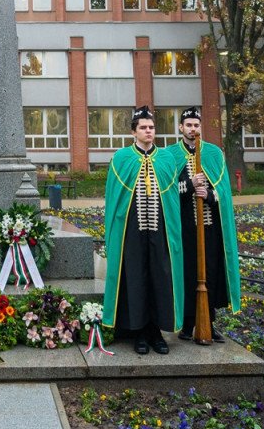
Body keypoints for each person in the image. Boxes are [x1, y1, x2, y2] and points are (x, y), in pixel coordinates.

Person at [101, 105, 184, 355]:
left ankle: (156, 331)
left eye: (151, 127)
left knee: (160, 277)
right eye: (143, 128)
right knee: (135, 277)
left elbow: (172, 197)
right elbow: (114, 198)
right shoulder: (122, 158)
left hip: (160, 230)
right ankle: (137, 330)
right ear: (133, 132)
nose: (149, 132)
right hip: (132, 230)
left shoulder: (167, 159)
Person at [168, 107, 241, 344]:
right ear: (181, 128)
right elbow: (167, 193)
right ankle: (188, 323)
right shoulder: (171, 155)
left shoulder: (213, 154)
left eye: (196, 125)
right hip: (185, 227)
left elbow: (224, 193)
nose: (192, 129)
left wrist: (208, 193)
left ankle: (209, 322)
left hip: (209, 228)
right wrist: (190, 184)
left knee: (210, 273)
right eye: (188, 125)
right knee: (188, 272)